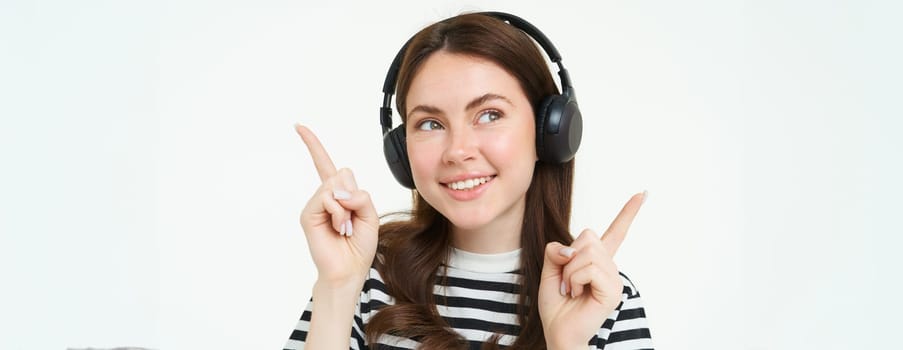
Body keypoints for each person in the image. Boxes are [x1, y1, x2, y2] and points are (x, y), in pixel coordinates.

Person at [285, 12, 653, 350]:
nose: (458, 151)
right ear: (402, 150)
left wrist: (565, 343)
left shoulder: (600, 295)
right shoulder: (365, 274)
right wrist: (337, 288)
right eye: (430, 123)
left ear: (549, 131)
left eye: (489, 114)